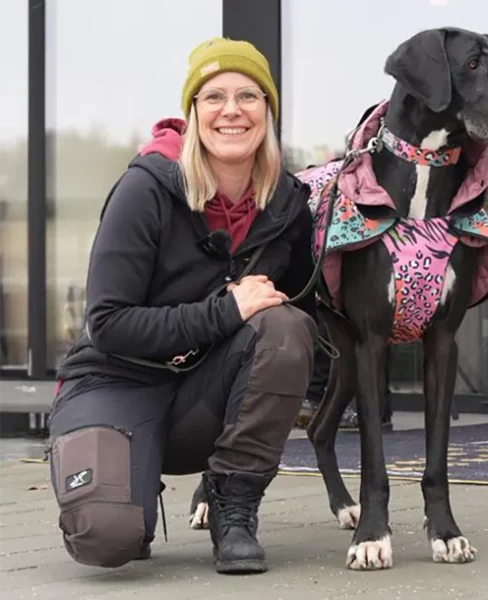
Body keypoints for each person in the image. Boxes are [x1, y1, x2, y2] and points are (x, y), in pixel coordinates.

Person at [47, 37, 318, 576]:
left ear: (268, 111)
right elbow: (107, 324)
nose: (232, 111)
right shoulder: (146, 187)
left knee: (287, 329)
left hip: (201, 395)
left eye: (249, 96)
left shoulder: (287, 205)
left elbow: (283, 322)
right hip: (114, 381)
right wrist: (224, 311)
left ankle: (232, 504)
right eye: (213, 97)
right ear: (193, 111)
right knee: (108, 540)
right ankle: (129, 487)